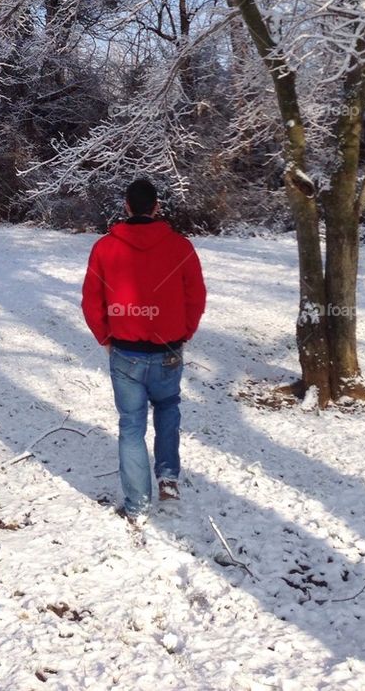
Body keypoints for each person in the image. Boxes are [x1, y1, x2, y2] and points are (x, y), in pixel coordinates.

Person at [81, 177, 207, 523]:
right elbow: (196, 295)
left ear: (126, 207)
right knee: (168, 410)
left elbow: (92, 301)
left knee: (131, 426)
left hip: (125, 352)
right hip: (168, 349)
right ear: (156, 208)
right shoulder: (180, 246)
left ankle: (137, 505)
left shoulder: (104, 248)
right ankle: (168, 480)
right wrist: (185, 332)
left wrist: (104, 337)